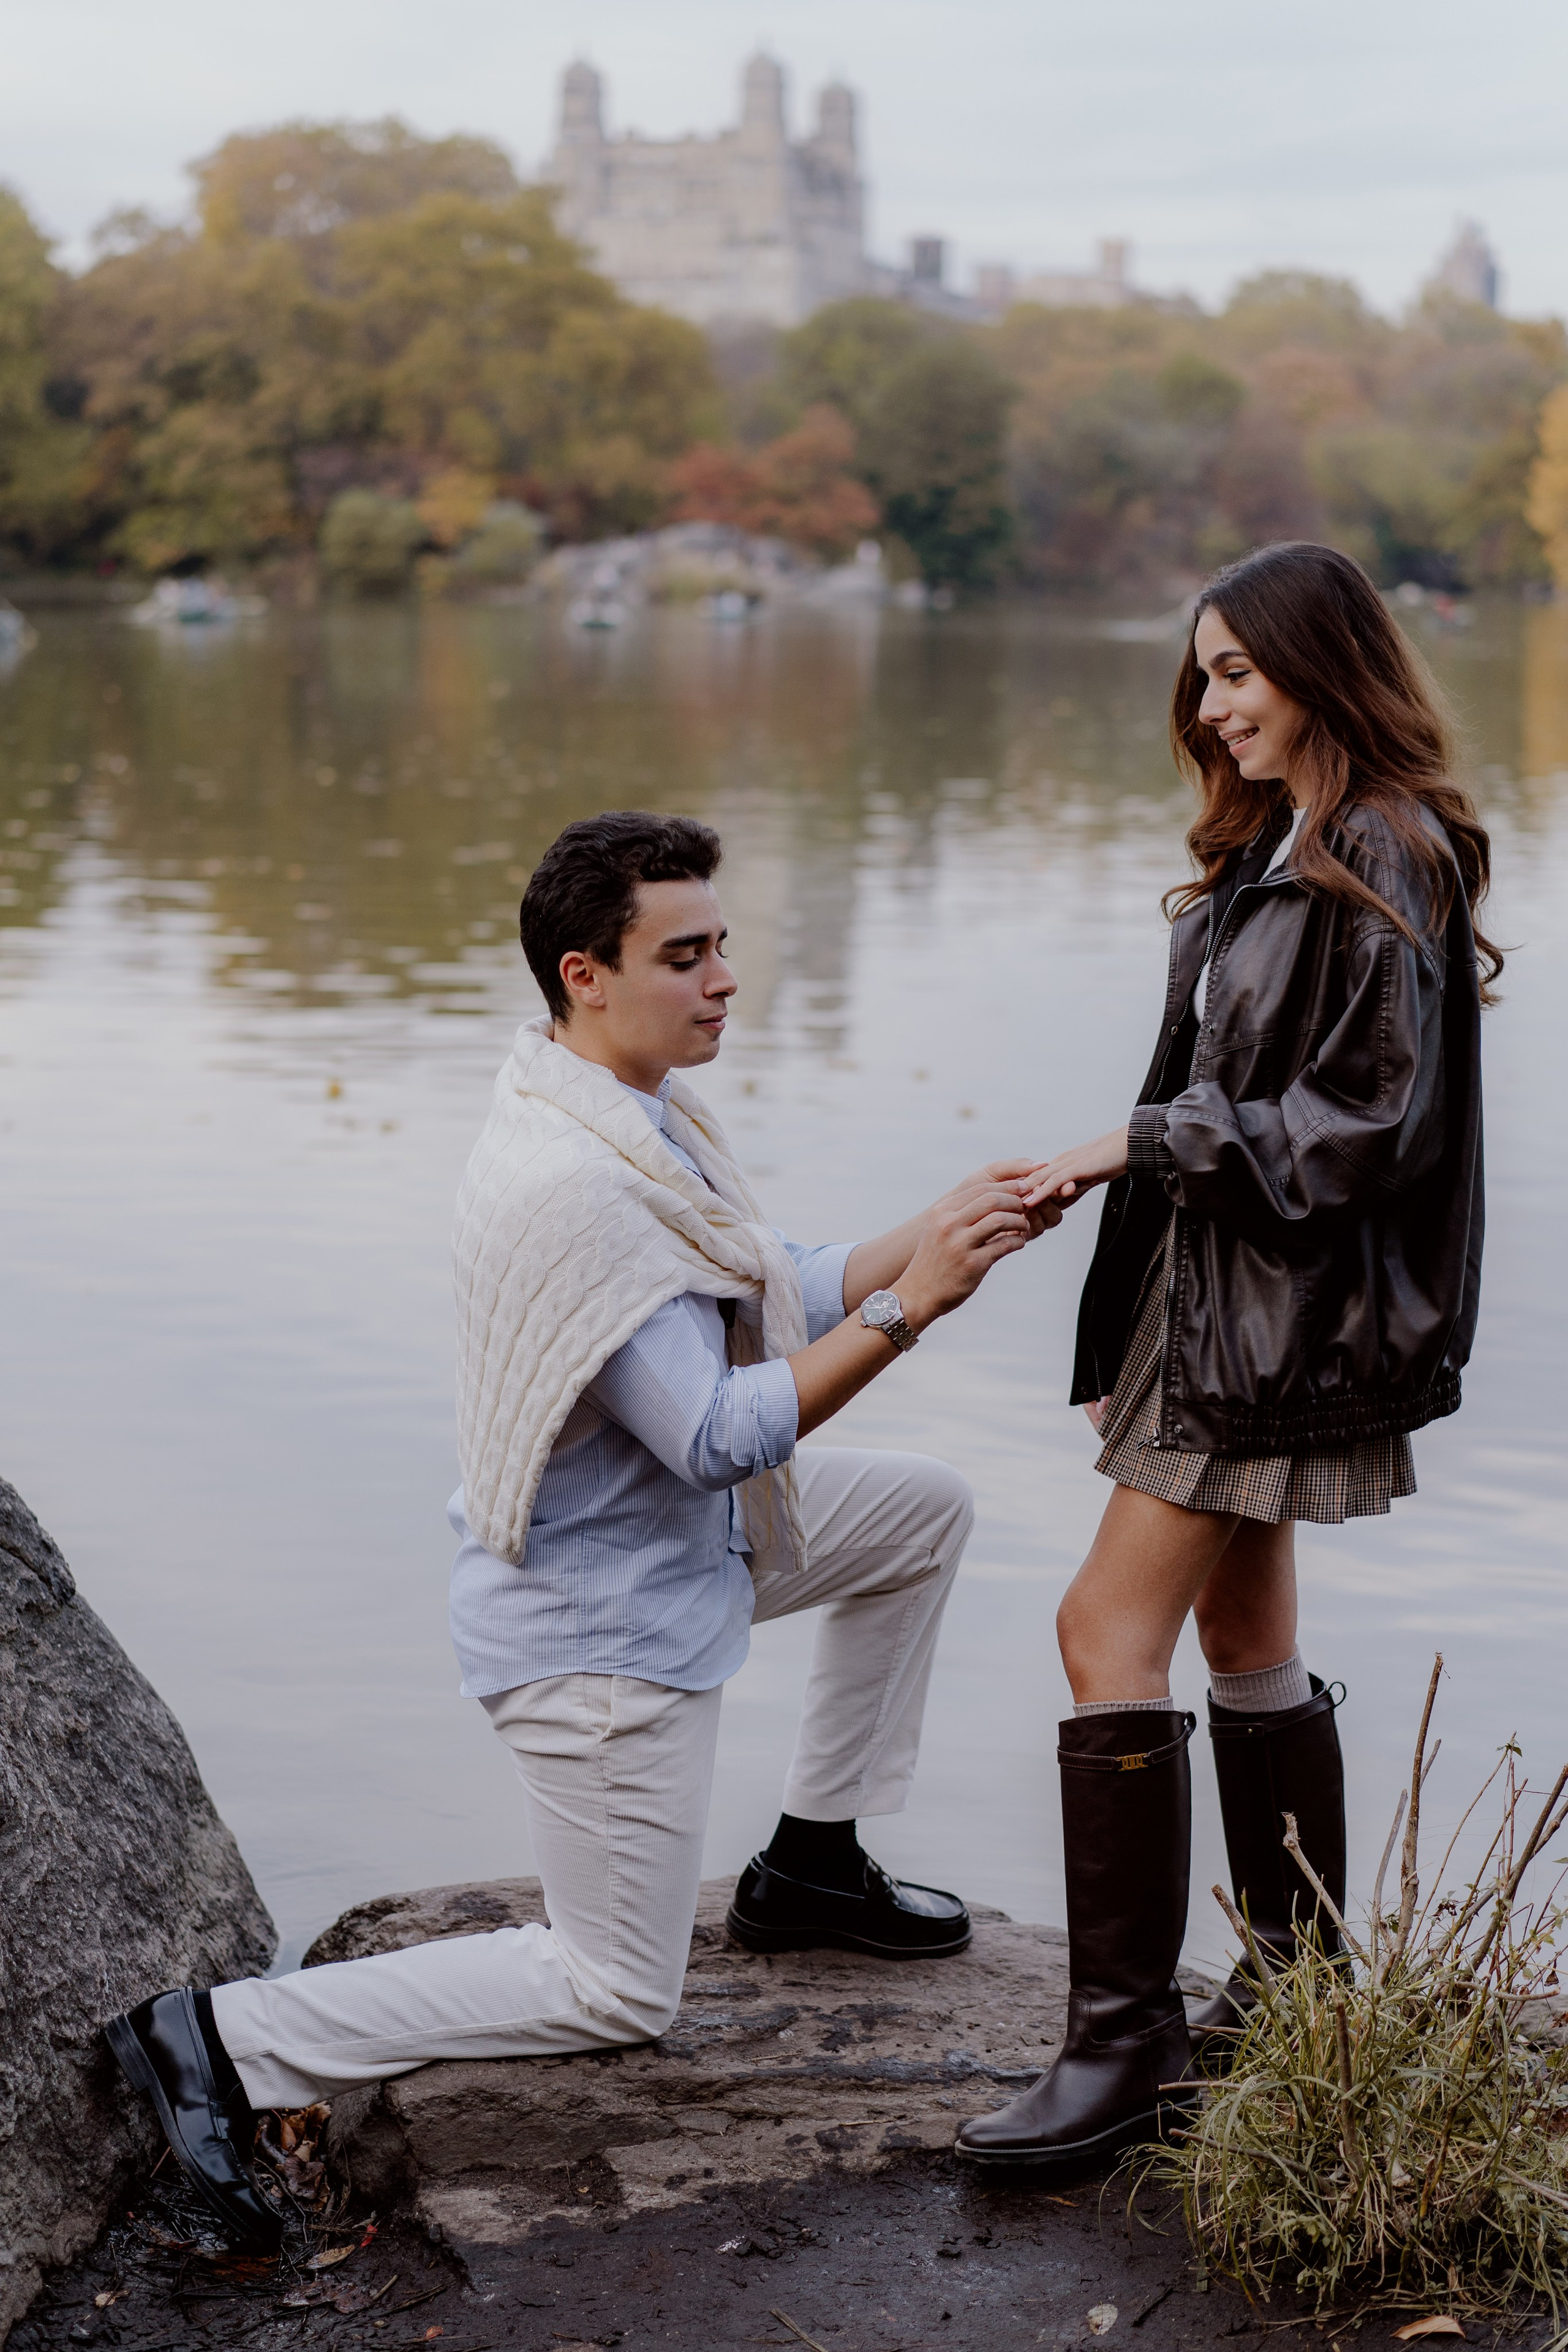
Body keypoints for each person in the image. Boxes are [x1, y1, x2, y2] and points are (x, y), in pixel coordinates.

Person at [107, 809, 1054, 2247]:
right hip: (599, 1629)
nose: (723, 978)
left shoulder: (616, 1106)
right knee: (612, 1990)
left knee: (920, 1512)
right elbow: (717, 1433)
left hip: (677, 1548)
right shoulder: (576, 1187)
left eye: (721, 945)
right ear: (585, 974)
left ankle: (811, 1863)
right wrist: (909, 1306)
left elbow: (769, 1279)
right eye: (685, 956)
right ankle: (228, 2039)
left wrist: (929, 1229)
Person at [954, 541, 1495, 2175]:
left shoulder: (1384, 847)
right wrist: (1122, 1315)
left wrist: (1130, 1142)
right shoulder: (1281, 841)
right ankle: (1294, 1992)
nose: (1208, 708)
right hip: (1221, 1309)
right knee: (1241, 1626)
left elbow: (1368, 1127)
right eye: (1202, 677)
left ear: (1322, 668)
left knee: (1098, 1628)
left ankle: (1125, 2052)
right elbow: (1235, 1104)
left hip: (1273, 1322)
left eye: (1237, 675)